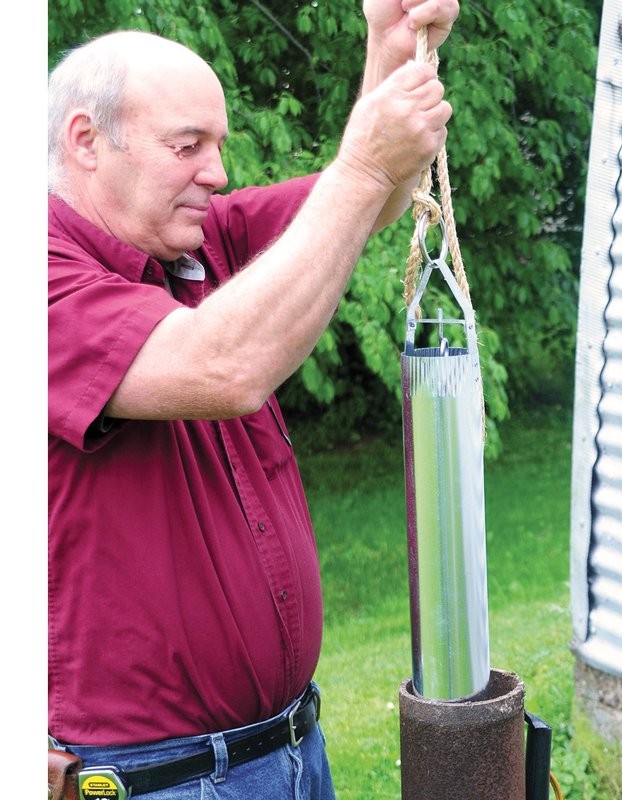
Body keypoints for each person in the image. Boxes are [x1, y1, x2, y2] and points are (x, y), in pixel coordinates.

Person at [47, 1, 458, 797]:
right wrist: (365, 166)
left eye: (219, 145)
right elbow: (223, 366)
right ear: (87, 141)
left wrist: (389, 44)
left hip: (290, 748)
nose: (217, 173)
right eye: (187, 146)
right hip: (154, 780)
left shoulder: (201, 244)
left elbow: (359, 205)